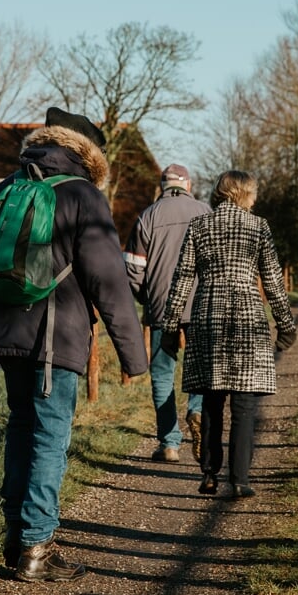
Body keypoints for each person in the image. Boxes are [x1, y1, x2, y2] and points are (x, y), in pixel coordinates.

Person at [0, 107, 150, 583]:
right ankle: (37, 547)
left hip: (5, 338)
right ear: (88, 154)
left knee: (22, 430)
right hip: (53, 340)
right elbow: (108, 279)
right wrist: (134, 356)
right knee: (50, 438)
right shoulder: (83, 195)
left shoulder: (7, 187)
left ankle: (15, 537)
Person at [158, 170, 297, 498]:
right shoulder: (258, 227)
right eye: (254, 192)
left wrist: (170, 326)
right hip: (247, 317)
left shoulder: (200, 225)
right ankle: (239, 479)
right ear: (245, 194)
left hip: (207, 316)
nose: (257, 197)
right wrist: (285, 324)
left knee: (212, 398)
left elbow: (181, 279)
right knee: (245, 404)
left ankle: (208, 473)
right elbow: (274, 283)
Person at [126, 163, 211, 462]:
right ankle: (198, 411)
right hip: (202, 305)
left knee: (163, 374)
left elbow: (133, 269)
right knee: (200, 368)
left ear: (163, 186)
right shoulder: (206, 212)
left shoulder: (147, 216)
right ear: (188, 185)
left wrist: (145, 298)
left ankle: (170, 444)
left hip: (162, 305)